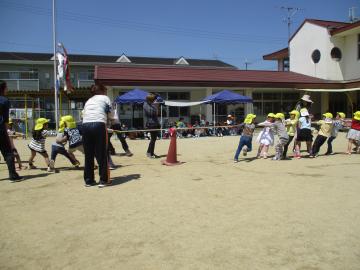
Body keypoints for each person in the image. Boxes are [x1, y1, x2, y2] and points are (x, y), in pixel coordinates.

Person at [82, 83, 113, 187]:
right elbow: (110, 113)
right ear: (102, 90)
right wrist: (110, 122)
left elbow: (84, 114)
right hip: (99, 124)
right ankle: (104, 180)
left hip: (85, 126)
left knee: (88, 154)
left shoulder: (88, 101)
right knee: (102, 153)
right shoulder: (105, 98)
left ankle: (89, 180)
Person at [0, 80, 22, 181]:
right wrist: (7, 130)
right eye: (6, 87)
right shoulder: (4, 100)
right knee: (8, 152)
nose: (7, 89)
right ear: (3, 88)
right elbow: (5, 119)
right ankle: (13, 175)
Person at [143, 93, 160, 158]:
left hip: (155, 123)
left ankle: (151, 152)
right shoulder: (145, 104)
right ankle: (149, 153)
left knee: (154, 139)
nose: (154, 101)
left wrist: (157, 106)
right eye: (153, 100)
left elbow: (157, 114)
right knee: (153, 139)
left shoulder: (151, 104)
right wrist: (155, 106)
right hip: (151, 124)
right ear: (150, 100)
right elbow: (151, 113)